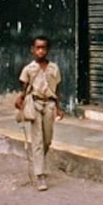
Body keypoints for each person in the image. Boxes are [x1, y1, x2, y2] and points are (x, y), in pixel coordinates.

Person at [16, 35, 64, 191]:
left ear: (47, 50)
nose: (40, 51)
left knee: (47, 139)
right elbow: (24, 88)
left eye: (43, 48)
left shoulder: (54, 68)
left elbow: (58, 89)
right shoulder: (29, 69)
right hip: (35, 104)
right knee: (37, 139)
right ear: (33, 50)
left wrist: (58, 107)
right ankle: (40, 175)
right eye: (38, 48)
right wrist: (21, 99)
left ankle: (39, 162)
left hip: (49, 104)